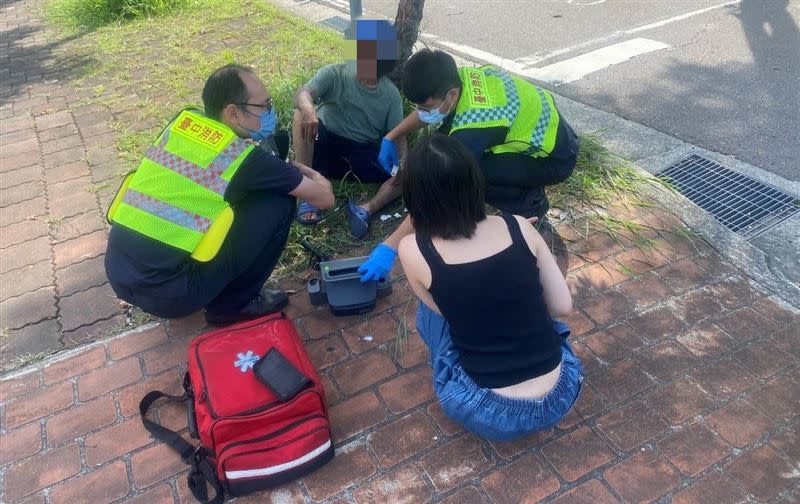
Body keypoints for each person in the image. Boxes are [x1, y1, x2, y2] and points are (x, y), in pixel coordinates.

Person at [105, 64, 335, 325]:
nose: (270, 112)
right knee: (279, 199)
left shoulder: (184, 120)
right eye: (264, 105)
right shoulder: (244, 158)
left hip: (119, 272)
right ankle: (232, 306)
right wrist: (298, 169)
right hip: (171, 294)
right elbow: (324, 197)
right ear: (233, 113)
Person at [394, 134, 582, 439]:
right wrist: (521, 247)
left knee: (429, 310)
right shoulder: (517, 225)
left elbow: (446, 312)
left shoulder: (413, 249)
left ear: (414, 196)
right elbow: (563, 307)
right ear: (475, 181)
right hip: (562, 393)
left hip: (488, 412)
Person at [378, 49, 579, 221]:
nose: (421, 111)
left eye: (426, 107)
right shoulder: (459, 78)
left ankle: (531, 204)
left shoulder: (473, 127)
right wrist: (392, 136)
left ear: (452, 94)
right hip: (555, 134)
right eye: (418, 107)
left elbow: (446, 180)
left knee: (470, 173)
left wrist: (393, 245)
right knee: (443, 150)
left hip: (556, 159)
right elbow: (428, 112)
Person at [293, 19, 407, 239]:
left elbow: (398, 133)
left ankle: (365, 210)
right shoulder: (334, 73)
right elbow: (302, 94)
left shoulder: (390, 94)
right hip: (323, 143)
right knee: (299, 112)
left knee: (409, 173)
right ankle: (307, 190)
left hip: (361, 155)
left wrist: (404, 159)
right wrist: (308, 107)